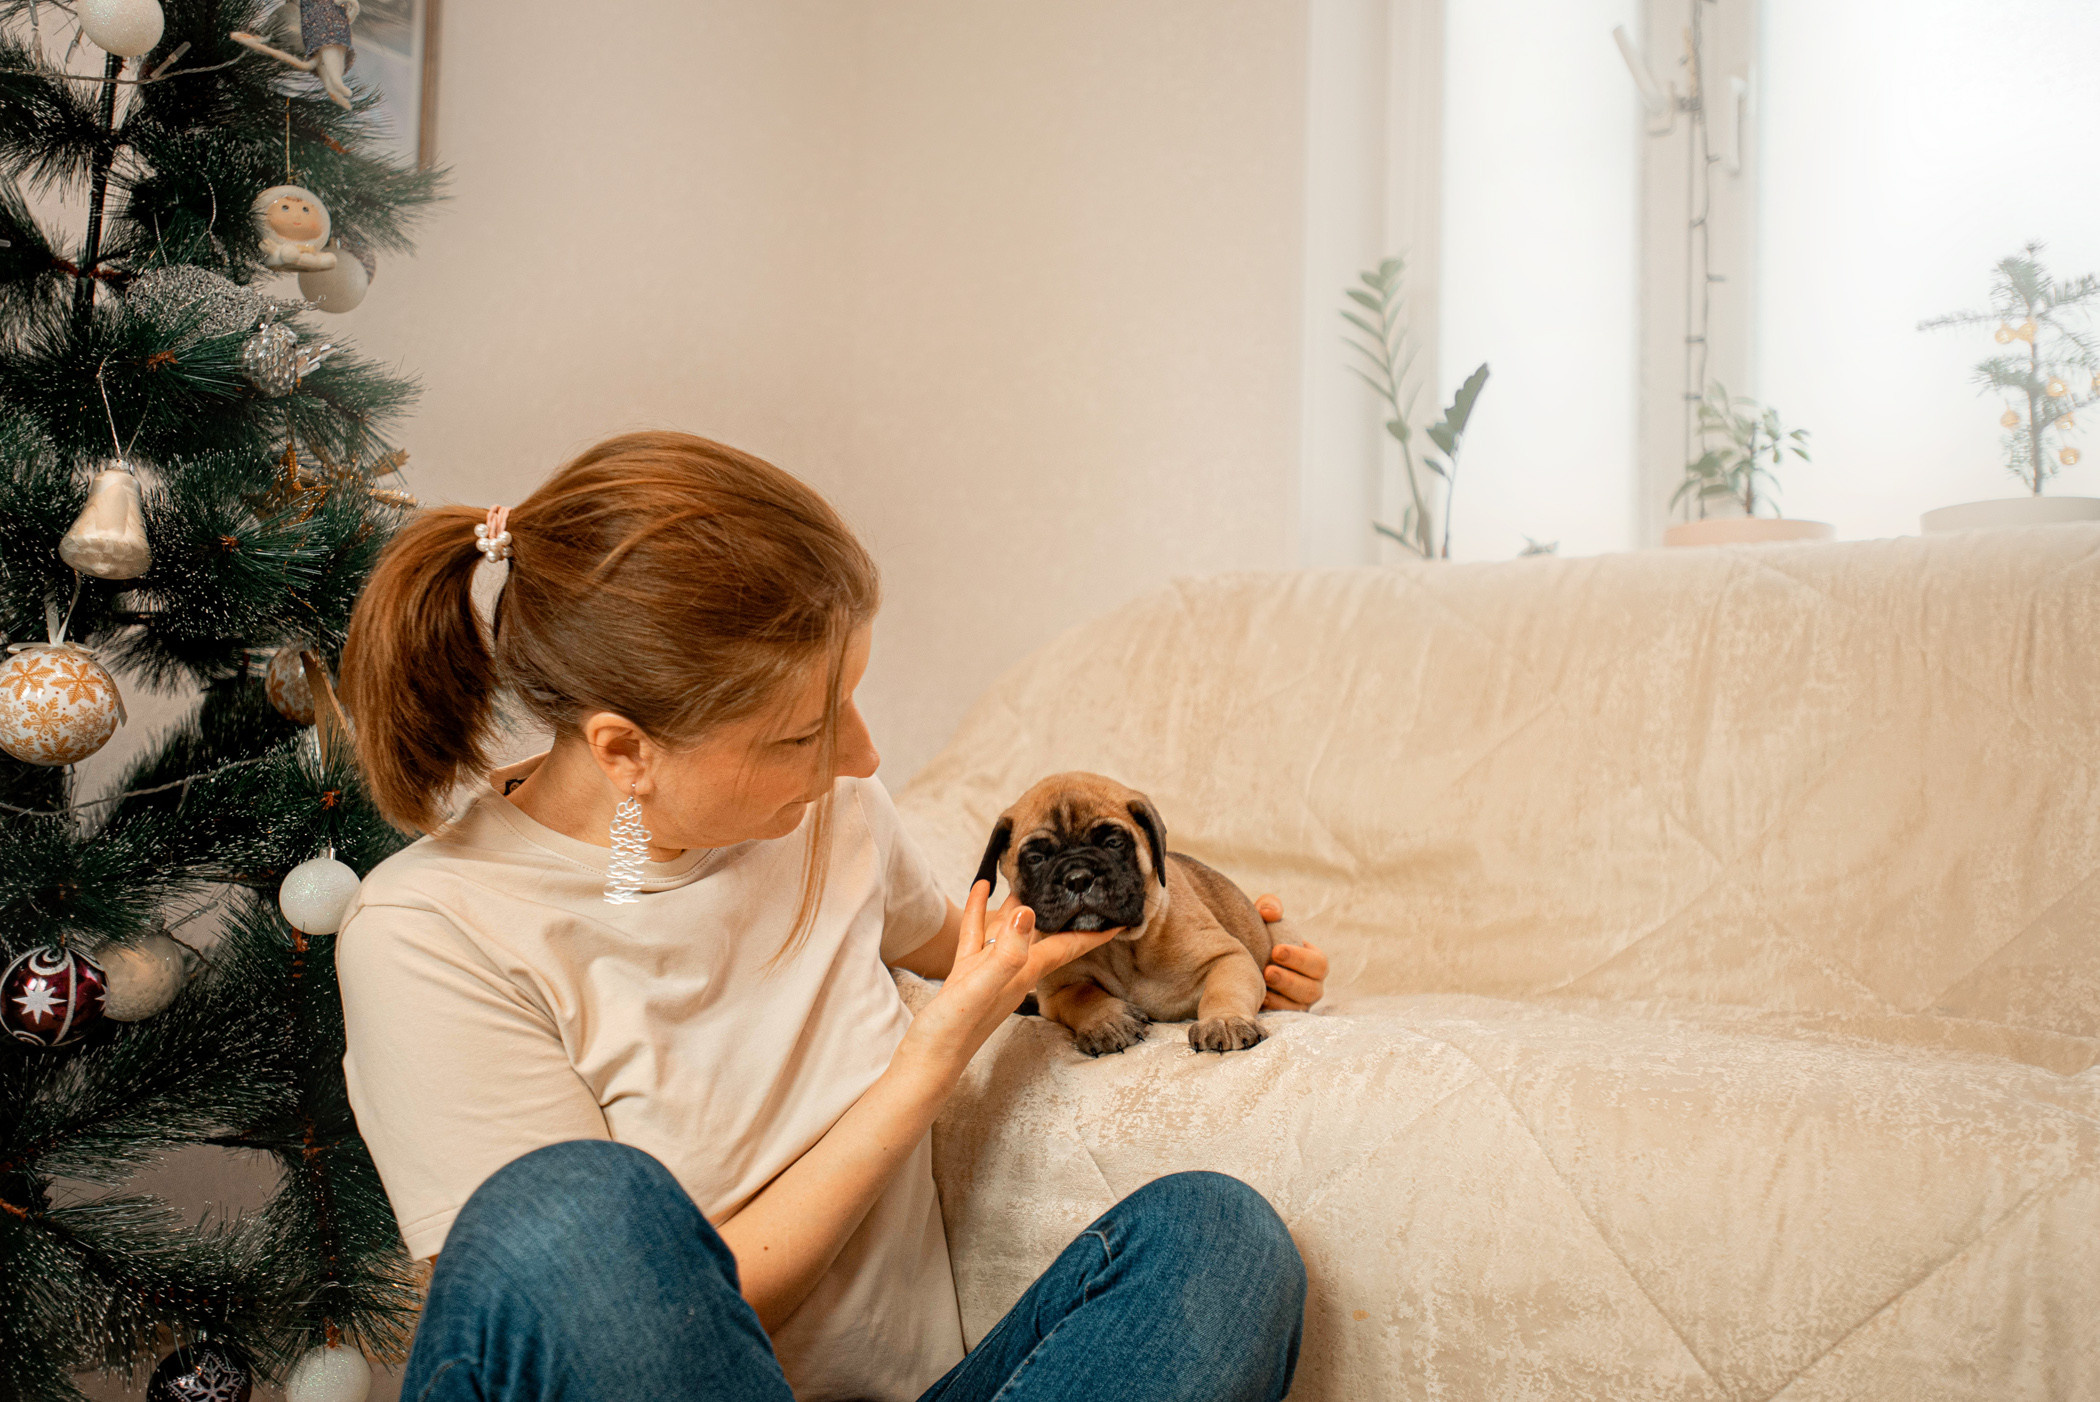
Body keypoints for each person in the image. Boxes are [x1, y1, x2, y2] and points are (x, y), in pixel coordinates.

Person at [335, 431, 1329, 1402]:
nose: (860, 756)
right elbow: (610, 1324)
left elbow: (988, 959)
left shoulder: (833, 818)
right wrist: (928, 1059)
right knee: (580, 1211)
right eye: (804, 732)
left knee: (1218, 1240)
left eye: (851, 700)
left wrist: (1213, 948)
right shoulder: (433, 932)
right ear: (625, 750)